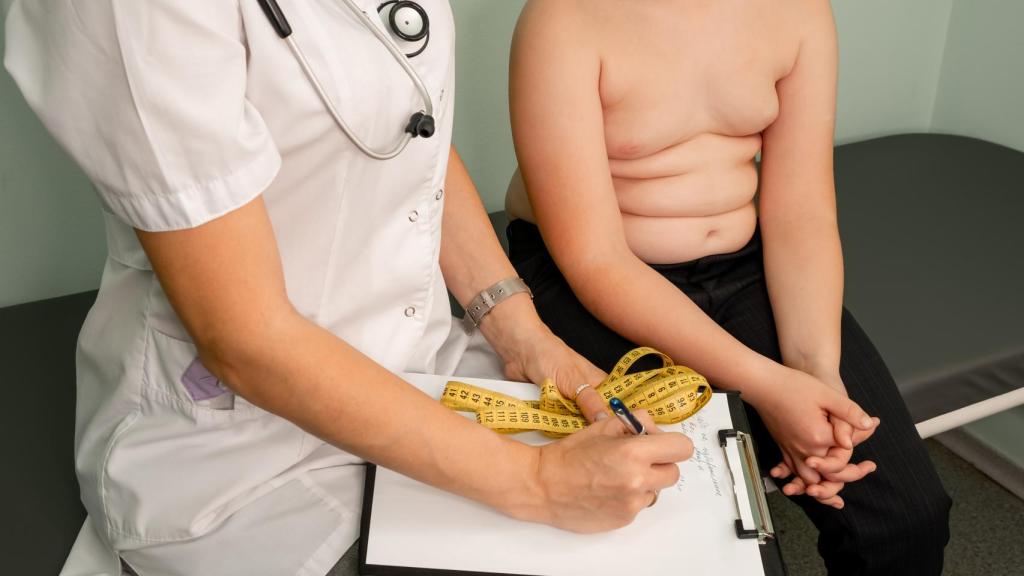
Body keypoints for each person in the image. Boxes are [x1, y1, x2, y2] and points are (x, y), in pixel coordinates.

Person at [4, 1, 697, 575]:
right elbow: (244, 338)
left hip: (426, 363)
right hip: (237, 447)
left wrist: (520, 330)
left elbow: (406, 124)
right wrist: (538, 487)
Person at [505, 0, 951, 574]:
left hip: (744, 264)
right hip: (589, 274)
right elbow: (596, 260)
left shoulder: (800, 12)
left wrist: (817, 377)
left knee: (906, 518)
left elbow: (801, 213)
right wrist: (769, 387)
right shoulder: (563, 18)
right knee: (685, 527)